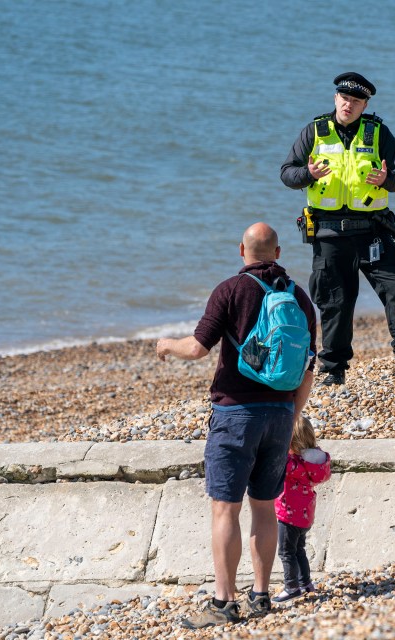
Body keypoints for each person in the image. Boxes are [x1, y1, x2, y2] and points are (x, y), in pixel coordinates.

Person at [156, 222, 317, 629]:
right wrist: (292, 414)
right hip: (281, 414)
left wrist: (165, 345)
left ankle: (223, 602)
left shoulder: (229, 290)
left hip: (235, 414)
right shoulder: (298, 296)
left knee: (225, 508)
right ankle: (261, 596)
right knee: (264, 506)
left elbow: (196, 349)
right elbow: (309, 367)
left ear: (241, 250)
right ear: (277, 252)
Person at [281, 72, 395, 385]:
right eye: (344, 98)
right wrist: (307, 174)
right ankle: (333, 369)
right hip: (329, 234)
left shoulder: (378, 132)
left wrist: (387, 180)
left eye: (356, 101)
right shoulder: (314, 132)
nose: (349, 104)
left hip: (373, 231)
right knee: (335, 301)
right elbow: (287, 173)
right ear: (335, 99)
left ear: (365, 104)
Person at [272, 414, 331, 603]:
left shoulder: (290, 464)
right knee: (299, 549)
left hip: (288, 515)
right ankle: (305, 583)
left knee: (286, 552)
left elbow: (272, 462)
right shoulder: (313, 463)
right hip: (305, 516)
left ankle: (291, 587)